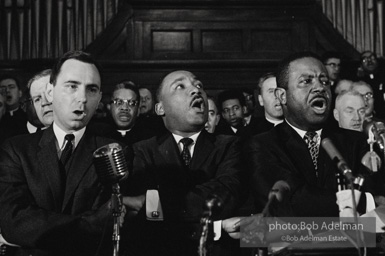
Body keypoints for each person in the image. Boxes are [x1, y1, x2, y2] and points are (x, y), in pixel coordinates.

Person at [0, 50, 124, 256]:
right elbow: (14, 223)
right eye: (72, 86)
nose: (82, 98)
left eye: (91, 89)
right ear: (50, 92)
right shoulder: (16, 149)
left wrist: (37, 229)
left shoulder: (114, 151)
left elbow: (106, 227)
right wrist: (89, 224)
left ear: (100, 98)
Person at [121, 70, 242, 256]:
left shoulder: (230, 145)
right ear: (160, 108)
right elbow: (149, 220)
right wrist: (217, 226)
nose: (196, 89)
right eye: (180, 86)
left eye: (199, 85)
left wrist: (159, 203)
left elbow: (227, 192)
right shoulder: (142, 150)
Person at [244, 52, 372, 217]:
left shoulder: (358, 142)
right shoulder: (261, 145)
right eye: (306, 81)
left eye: (324, 81)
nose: (320, 88)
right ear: (282, 96)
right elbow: (288, 202)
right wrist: (364, 202)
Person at [105, 81, 154, 145]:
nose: (125, 108)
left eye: (131, 103)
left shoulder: (150, 139)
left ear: (138, 110)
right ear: (109, 107)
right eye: (118, 102)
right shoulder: (97, 136)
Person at [356, 51, 385, 119]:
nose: (369, 61)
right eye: (365, 59)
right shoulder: (358, 83)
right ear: (360, 65)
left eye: (372, 58)